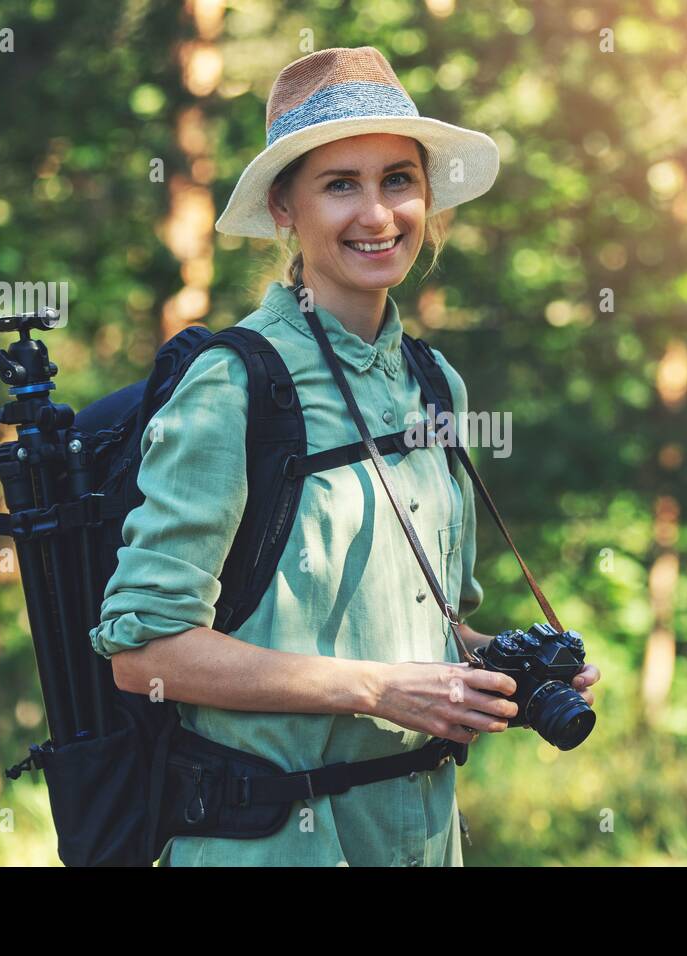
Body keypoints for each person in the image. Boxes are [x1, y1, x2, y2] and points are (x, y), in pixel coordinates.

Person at [89, 45, 599, 867]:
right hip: (272, 846)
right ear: (285, 208)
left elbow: (436, 630)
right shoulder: (234, 384)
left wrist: (507, 674)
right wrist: (378, 688)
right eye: (340, 185)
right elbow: (146, 654)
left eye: (399, 180)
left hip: (424, 838)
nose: (377, 214)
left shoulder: (437, 385)